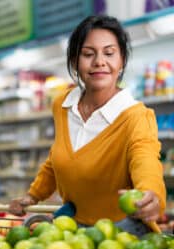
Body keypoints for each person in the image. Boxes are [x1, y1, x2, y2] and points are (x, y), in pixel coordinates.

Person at [9, 15, 166, 236]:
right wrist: (33, 195)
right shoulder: (62, 105)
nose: (99, 62)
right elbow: (58, 159)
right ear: (75, 61)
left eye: (109, 53)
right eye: (88, 54)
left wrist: (151, 194)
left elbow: (146, 159)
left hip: (122, 234)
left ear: (121, 61)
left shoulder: (136, 116)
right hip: (74, 230)